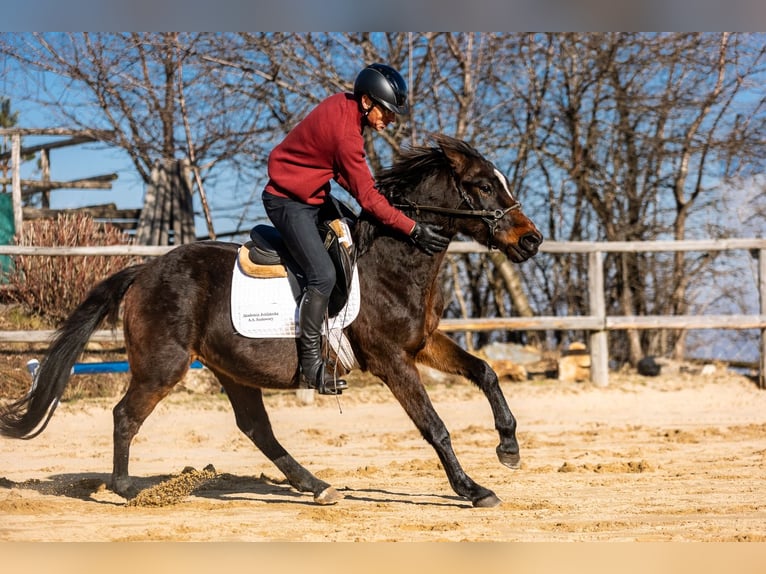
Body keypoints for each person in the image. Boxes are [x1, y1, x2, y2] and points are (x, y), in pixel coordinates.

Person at [261, 63, 450, 395]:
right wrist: (413, 229)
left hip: (312, 196)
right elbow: (366, 196)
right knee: (323, 274)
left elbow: (347, 179)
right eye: (387, 112)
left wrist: (377, 200)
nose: (391, 120)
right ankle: (312, 367)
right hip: (287, 202)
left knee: (357, 235)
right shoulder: (347, 134)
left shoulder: (343, 105)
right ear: (367, 102)